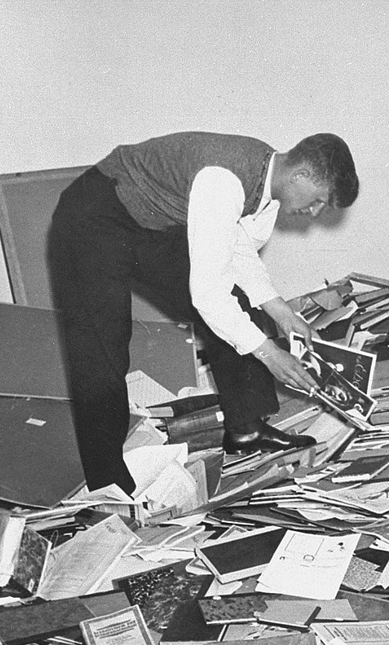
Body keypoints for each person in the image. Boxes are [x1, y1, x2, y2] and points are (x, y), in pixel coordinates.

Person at [48, 131, 358, 494]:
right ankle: (108, 487)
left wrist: (281, 312)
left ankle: (246, 429)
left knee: (238, 302)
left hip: (148, 221)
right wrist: (269, 354)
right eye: (319, 200)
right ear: (300, 175)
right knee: (101, 351)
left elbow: (236, 248)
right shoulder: (224, 180)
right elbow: (208, 296)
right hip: (94, 217)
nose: (315, 212)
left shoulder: (267, 181)